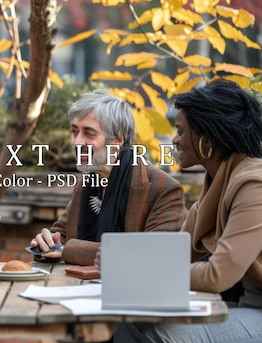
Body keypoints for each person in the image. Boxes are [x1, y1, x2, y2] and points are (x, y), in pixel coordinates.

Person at [114, 79, 262, 342]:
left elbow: (217, 275)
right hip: (251, 306)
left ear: (207, 138)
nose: (174, 140)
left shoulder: (258, 185)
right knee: (129, 320)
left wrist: (137, 272)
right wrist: (119, 262)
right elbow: (179, 252)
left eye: (181, 131)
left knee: (167, 334)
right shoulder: (219, 180)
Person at [30, 89, 187, 265]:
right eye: (75, 132)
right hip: (76, 287)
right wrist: (46, 242)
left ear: (118, 140)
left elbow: (149, 255)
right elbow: (60, 236)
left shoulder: (163, 189)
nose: (77, 142)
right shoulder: (87, 180)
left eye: (89, 133)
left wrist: (68, 250)